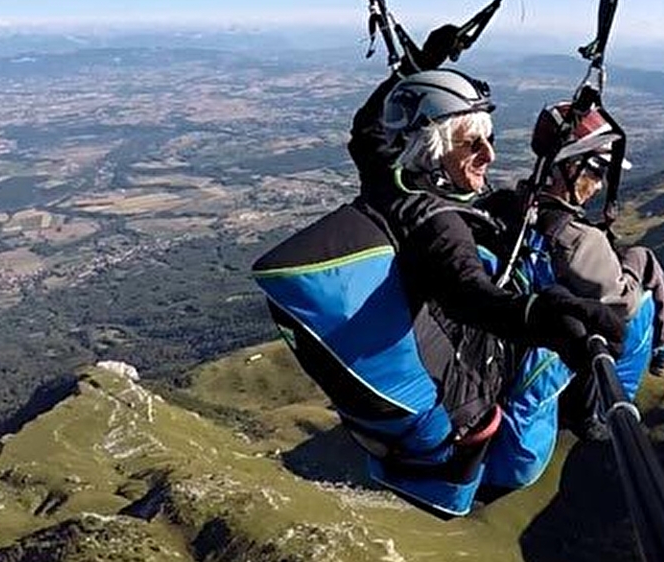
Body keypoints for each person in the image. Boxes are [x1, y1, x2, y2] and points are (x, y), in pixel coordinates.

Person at [251, 69, 625, 517]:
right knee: (598, 308)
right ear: (433, 149)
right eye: (471, 143)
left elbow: (366, 133)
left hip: (440, 381)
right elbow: (468, 295)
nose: (489, 154)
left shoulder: (388, 183)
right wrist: (540, 316)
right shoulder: (437, 221)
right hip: (478, 394)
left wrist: (418, 69)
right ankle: (595, 414)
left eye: (489, 139)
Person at [530, 101, 664, 381]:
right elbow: (624, 304)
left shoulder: (517, 208)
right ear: (570, 166)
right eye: (597, 171)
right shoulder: (579, 240)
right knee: (641, 256)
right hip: (588, 338)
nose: (598, 184)